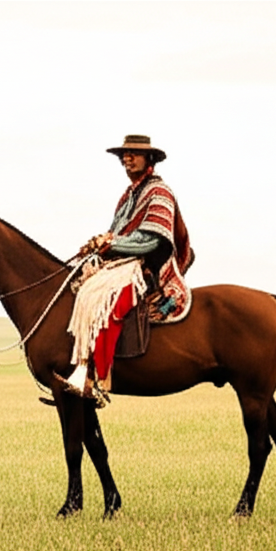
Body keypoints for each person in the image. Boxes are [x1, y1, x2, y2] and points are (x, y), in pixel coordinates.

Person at [66, 135, 194, 404]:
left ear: (149, 159)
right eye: (124, 154)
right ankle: (81, 365)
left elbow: (151, 240)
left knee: (104, 299)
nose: (127, 158)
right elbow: (119, 233)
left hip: (147, 265)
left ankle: (97, 377)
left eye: (133, 153)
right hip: (124, 260)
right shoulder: (129, 195)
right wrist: (101, 244)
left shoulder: (160, 193)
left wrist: (112, 242)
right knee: (81, 283)